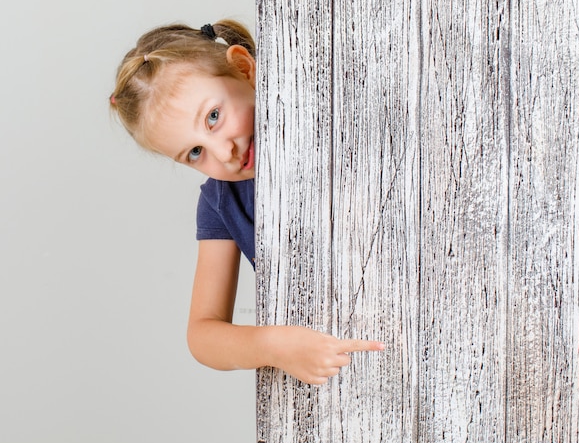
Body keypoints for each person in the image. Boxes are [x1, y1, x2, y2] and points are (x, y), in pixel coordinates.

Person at [110, 19, 384, 385]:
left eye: (213, 117)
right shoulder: (221, 202)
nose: (224, 152)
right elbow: (202, 335)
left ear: (243, 68)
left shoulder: (330, 119)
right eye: (194, 152)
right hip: (348, 375)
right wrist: (275, 345)